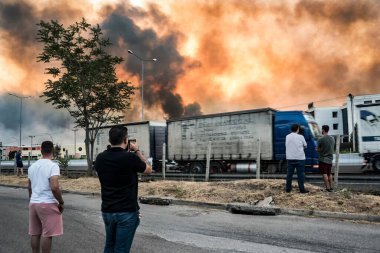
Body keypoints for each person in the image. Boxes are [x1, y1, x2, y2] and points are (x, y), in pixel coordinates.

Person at [95, 126, 152, 253]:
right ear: (126, 140)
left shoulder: (100, 158)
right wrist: (137, 150)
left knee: (109, 246)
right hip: (126, 212)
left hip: (107, 210)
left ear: (110, 140)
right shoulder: (130, 158)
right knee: (121, 249)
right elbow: (149, 169)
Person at [27, 141, 64, 253]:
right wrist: (61, 202)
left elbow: (29, 187)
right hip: (47, 203)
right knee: (47, 234)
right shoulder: (53, 166)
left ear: (41, 150)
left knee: (35, 233)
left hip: (34, 203)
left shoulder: (32, 167)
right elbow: (54, 187)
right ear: (52, 151)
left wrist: (32, 200)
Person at [285, 124, 309, 193]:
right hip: (300, 158)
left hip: (290, 158)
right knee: (300, 174)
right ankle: (302, 189)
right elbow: (305, 146)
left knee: (289, 174)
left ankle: (288, 189)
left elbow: (287, 145)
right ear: (297, 129)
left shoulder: (287, 136)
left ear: (291, 129)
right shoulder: (301, 137)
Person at [317, 125, 335, 192]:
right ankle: (331, 188)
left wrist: (318, 150)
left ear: (323, 130)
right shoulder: (332, 138)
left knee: (324, 173)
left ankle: (327, 188)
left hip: (323, 159)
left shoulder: (321, 139)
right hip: (330, 159)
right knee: (329, 173)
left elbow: (318, 149)